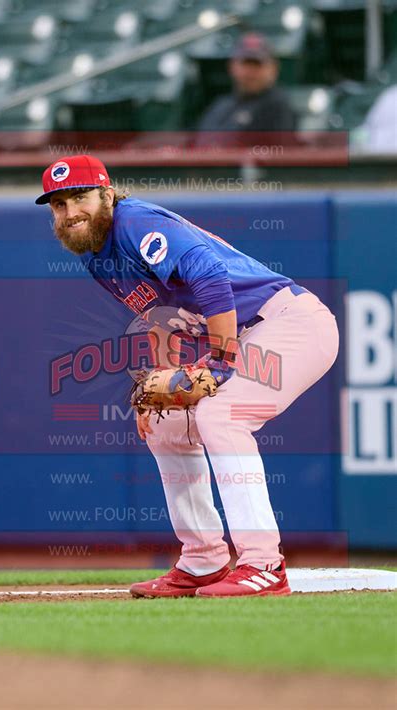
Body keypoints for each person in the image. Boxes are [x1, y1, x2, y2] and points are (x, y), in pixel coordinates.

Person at [36, 154, 339, 598]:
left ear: (106, 193)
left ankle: (264, 563)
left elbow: (210, 276)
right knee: (167, 424)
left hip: (291, 322)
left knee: (222, 416)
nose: (69, 212)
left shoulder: (134, 222)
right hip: (248, 333)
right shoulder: (97, 257)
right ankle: (203, 560)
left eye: (79, 197)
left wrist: (218, 362)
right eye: (59, 206)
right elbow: (162, 317)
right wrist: (159, 381)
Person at [196, 32, 296, 138]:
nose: (251, 72)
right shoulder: (220, 105)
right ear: (232, 67)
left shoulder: (277, 107)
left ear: (273, 69)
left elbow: (276, 150)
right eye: (246, 64)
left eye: (257, 64)